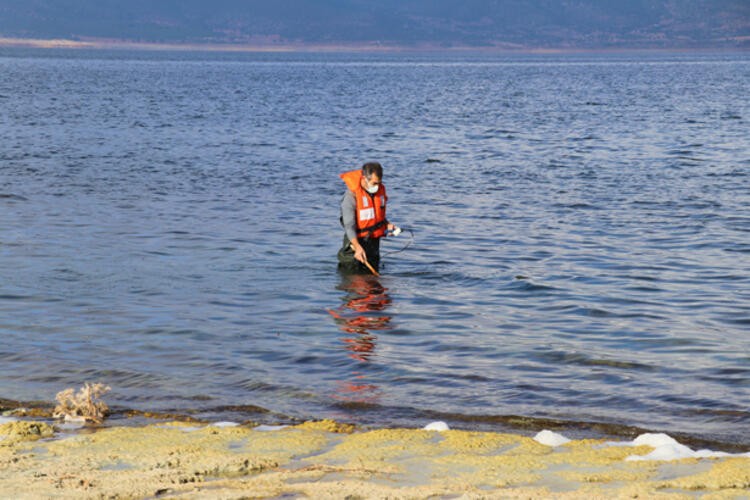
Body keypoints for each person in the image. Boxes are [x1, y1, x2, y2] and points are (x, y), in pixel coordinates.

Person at [337, 162, 399, 273]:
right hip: (354, 244)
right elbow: (349, 225)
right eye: (374, 183)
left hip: (373, 244)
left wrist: (386, 224)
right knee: (354, 281)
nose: (377, 186)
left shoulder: (379, 191)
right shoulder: (351, 196)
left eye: (379, 183)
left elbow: (377, 215)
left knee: (374, 285)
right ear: (365, 178)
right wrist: (357, 247)